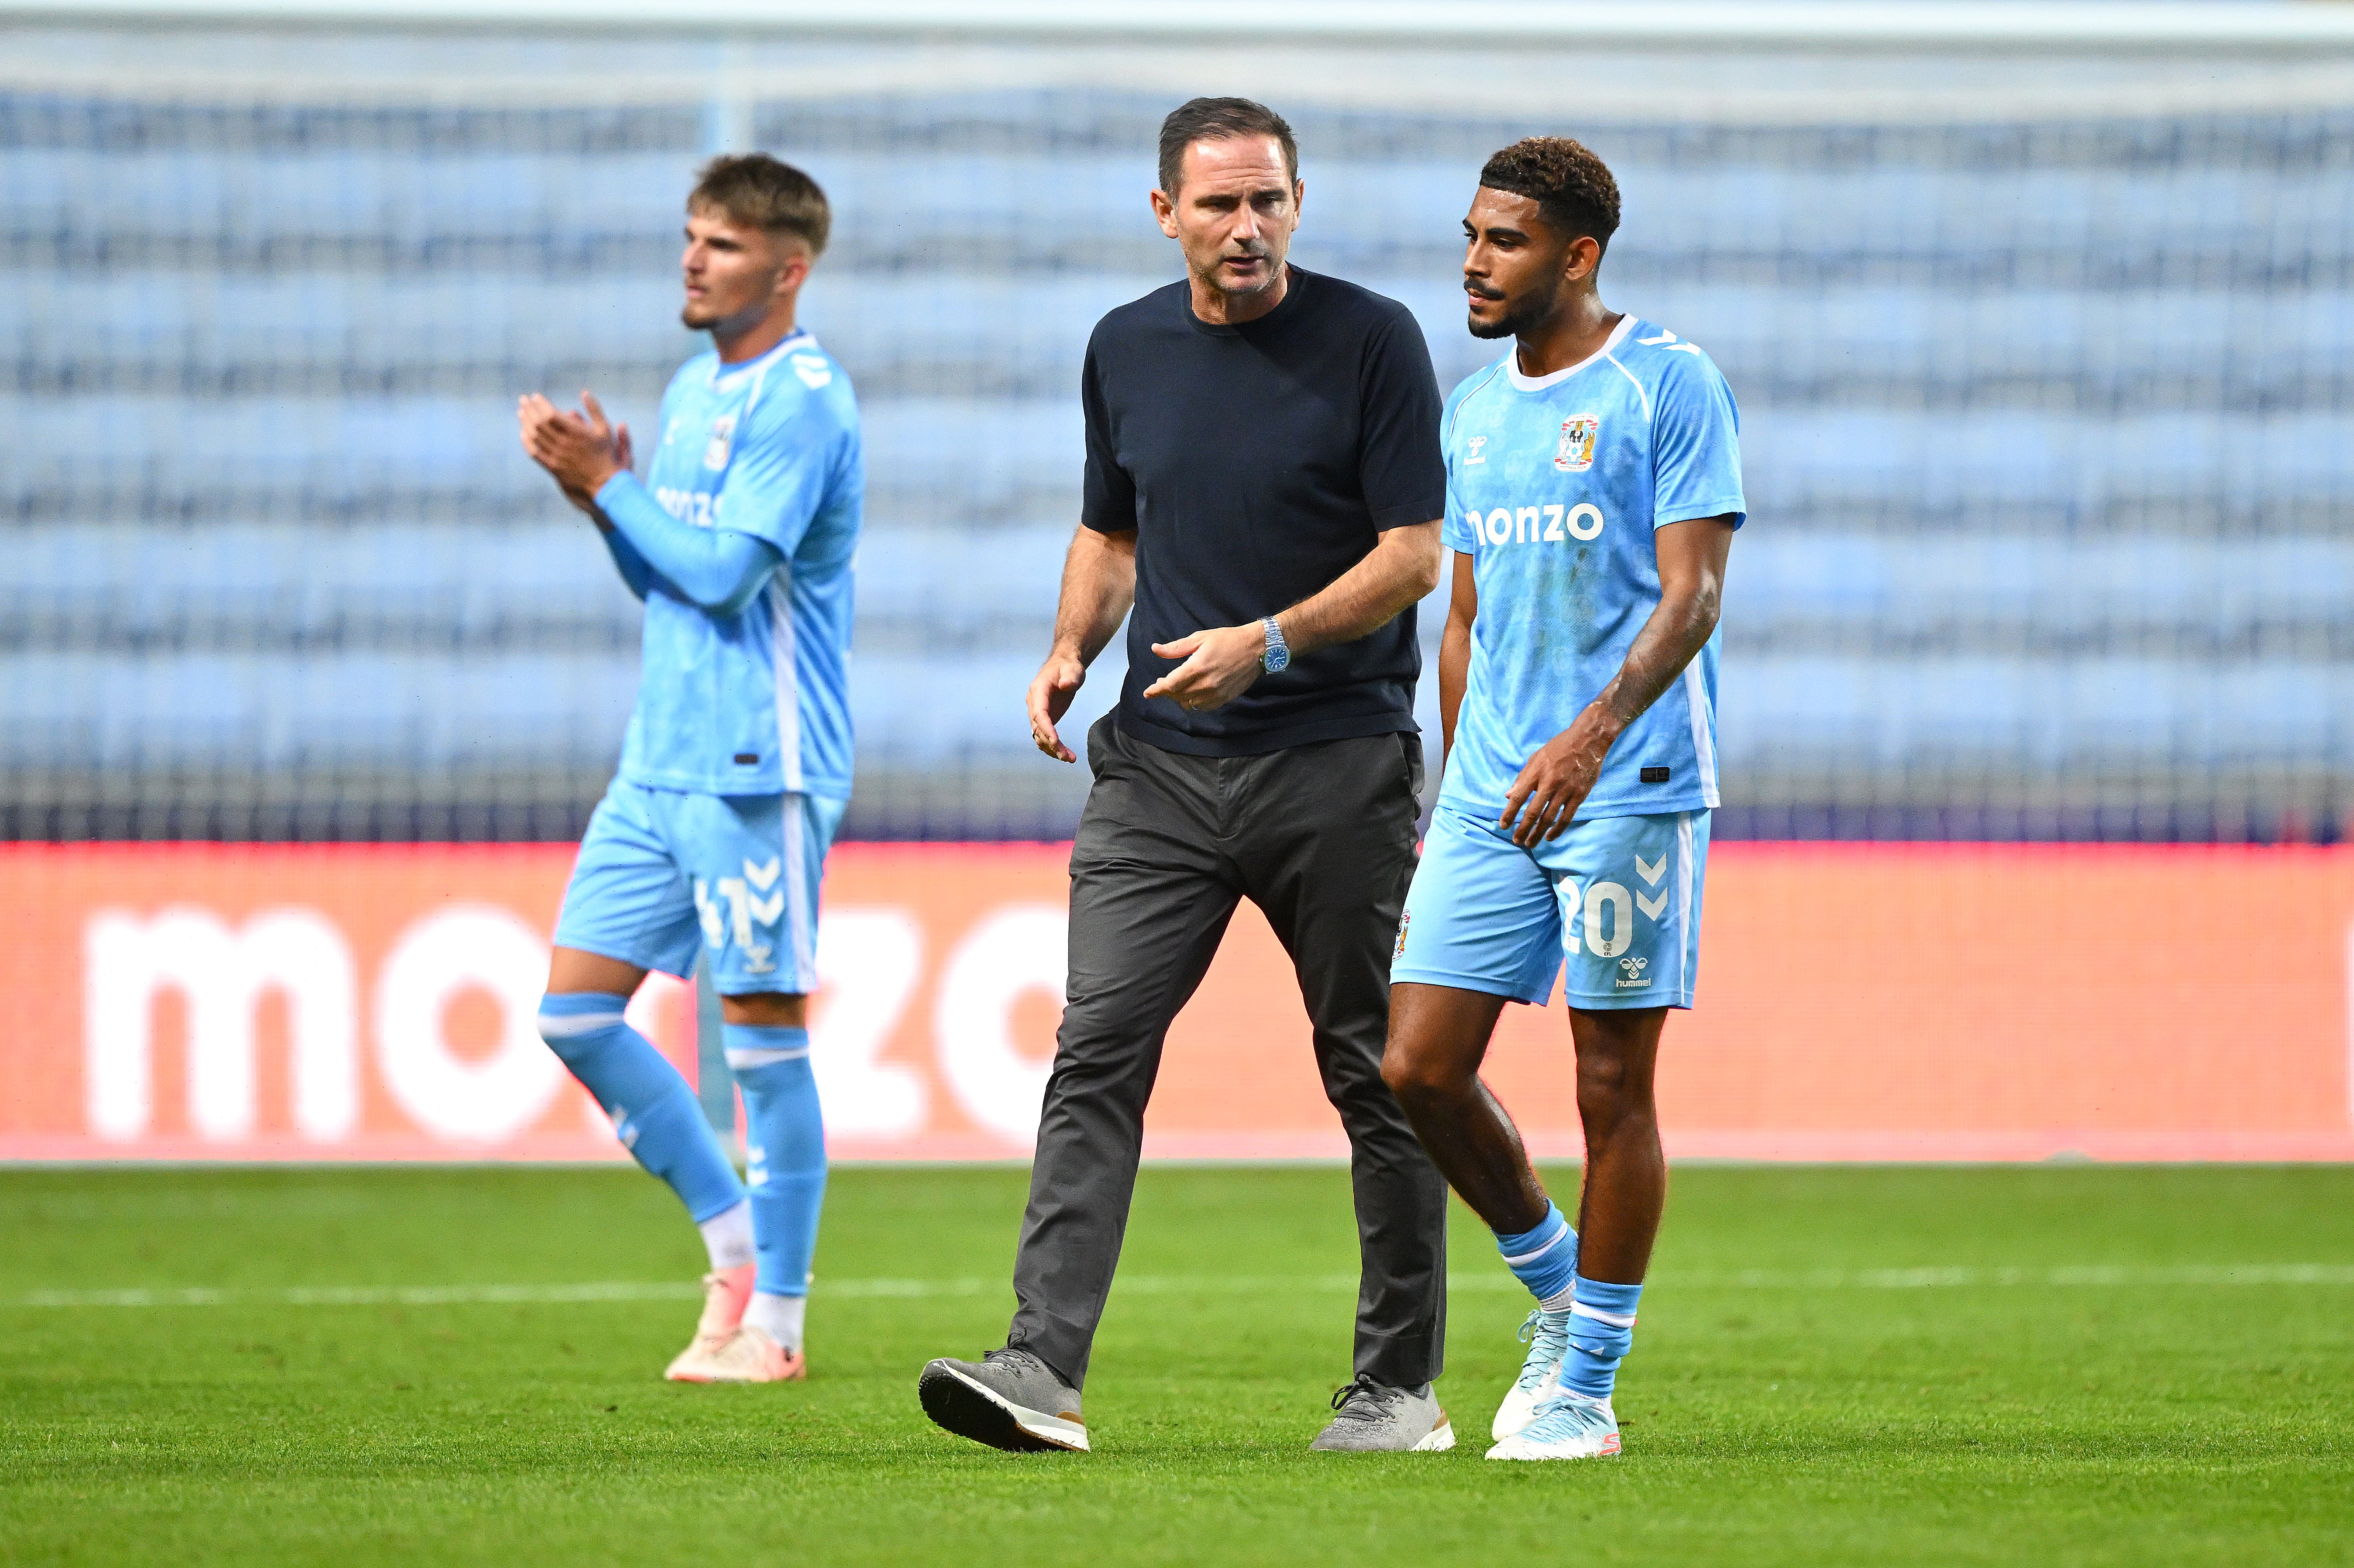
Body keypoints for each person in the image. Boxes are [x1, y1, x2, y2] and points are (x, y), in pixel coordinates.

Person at [917, 97, 1454, 1455]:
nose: (1247, 226)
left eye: (1268, 199)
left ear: (1298, 201)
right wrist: (1066, 647)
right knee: (1095, 1050)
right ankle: (1041, 1370)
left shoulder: (1373, 340)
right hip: (1158, 770)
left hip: (1337, 765)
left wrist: (1267, 642)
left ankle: (1398, 1388)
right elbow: (1111, 530)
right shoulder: (1124, 347)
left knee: (1379, 1075)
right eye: (1218, 204)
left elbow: (1413, 556)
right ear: (1166, 213)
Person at [1380, 137, 1745, 1460]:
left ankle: (1584, 1386)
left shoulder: (1670, 384)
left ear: (1577, 255)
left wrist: (1590, 741)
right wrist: (1459, 773)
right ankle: (1555, 1291)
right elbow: (1464, 614)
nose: (1475, 261)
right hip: (1490, 792)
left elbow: (1692, 595)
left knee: (1609, 1083)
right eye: (1472, 234)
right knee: (1416, 1065)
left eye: (1506, 241)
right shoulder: (1474, 411)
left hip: (1629, 784)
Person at [516, 153, 860, 1384]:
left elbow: (726, 577)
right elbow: (666, 574)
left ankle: (778, 1324)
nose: (692, 259)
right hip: (658, 760)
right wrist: (598, 501)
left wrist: (614, 484)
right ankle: (730, 1248)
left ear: (787, 266)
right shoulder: (694, 386)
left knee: (764, 1038)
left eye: (718, 244)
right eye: (689, 237)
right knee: (573, 1012)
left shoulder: (804, 400)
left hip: (755, 763)